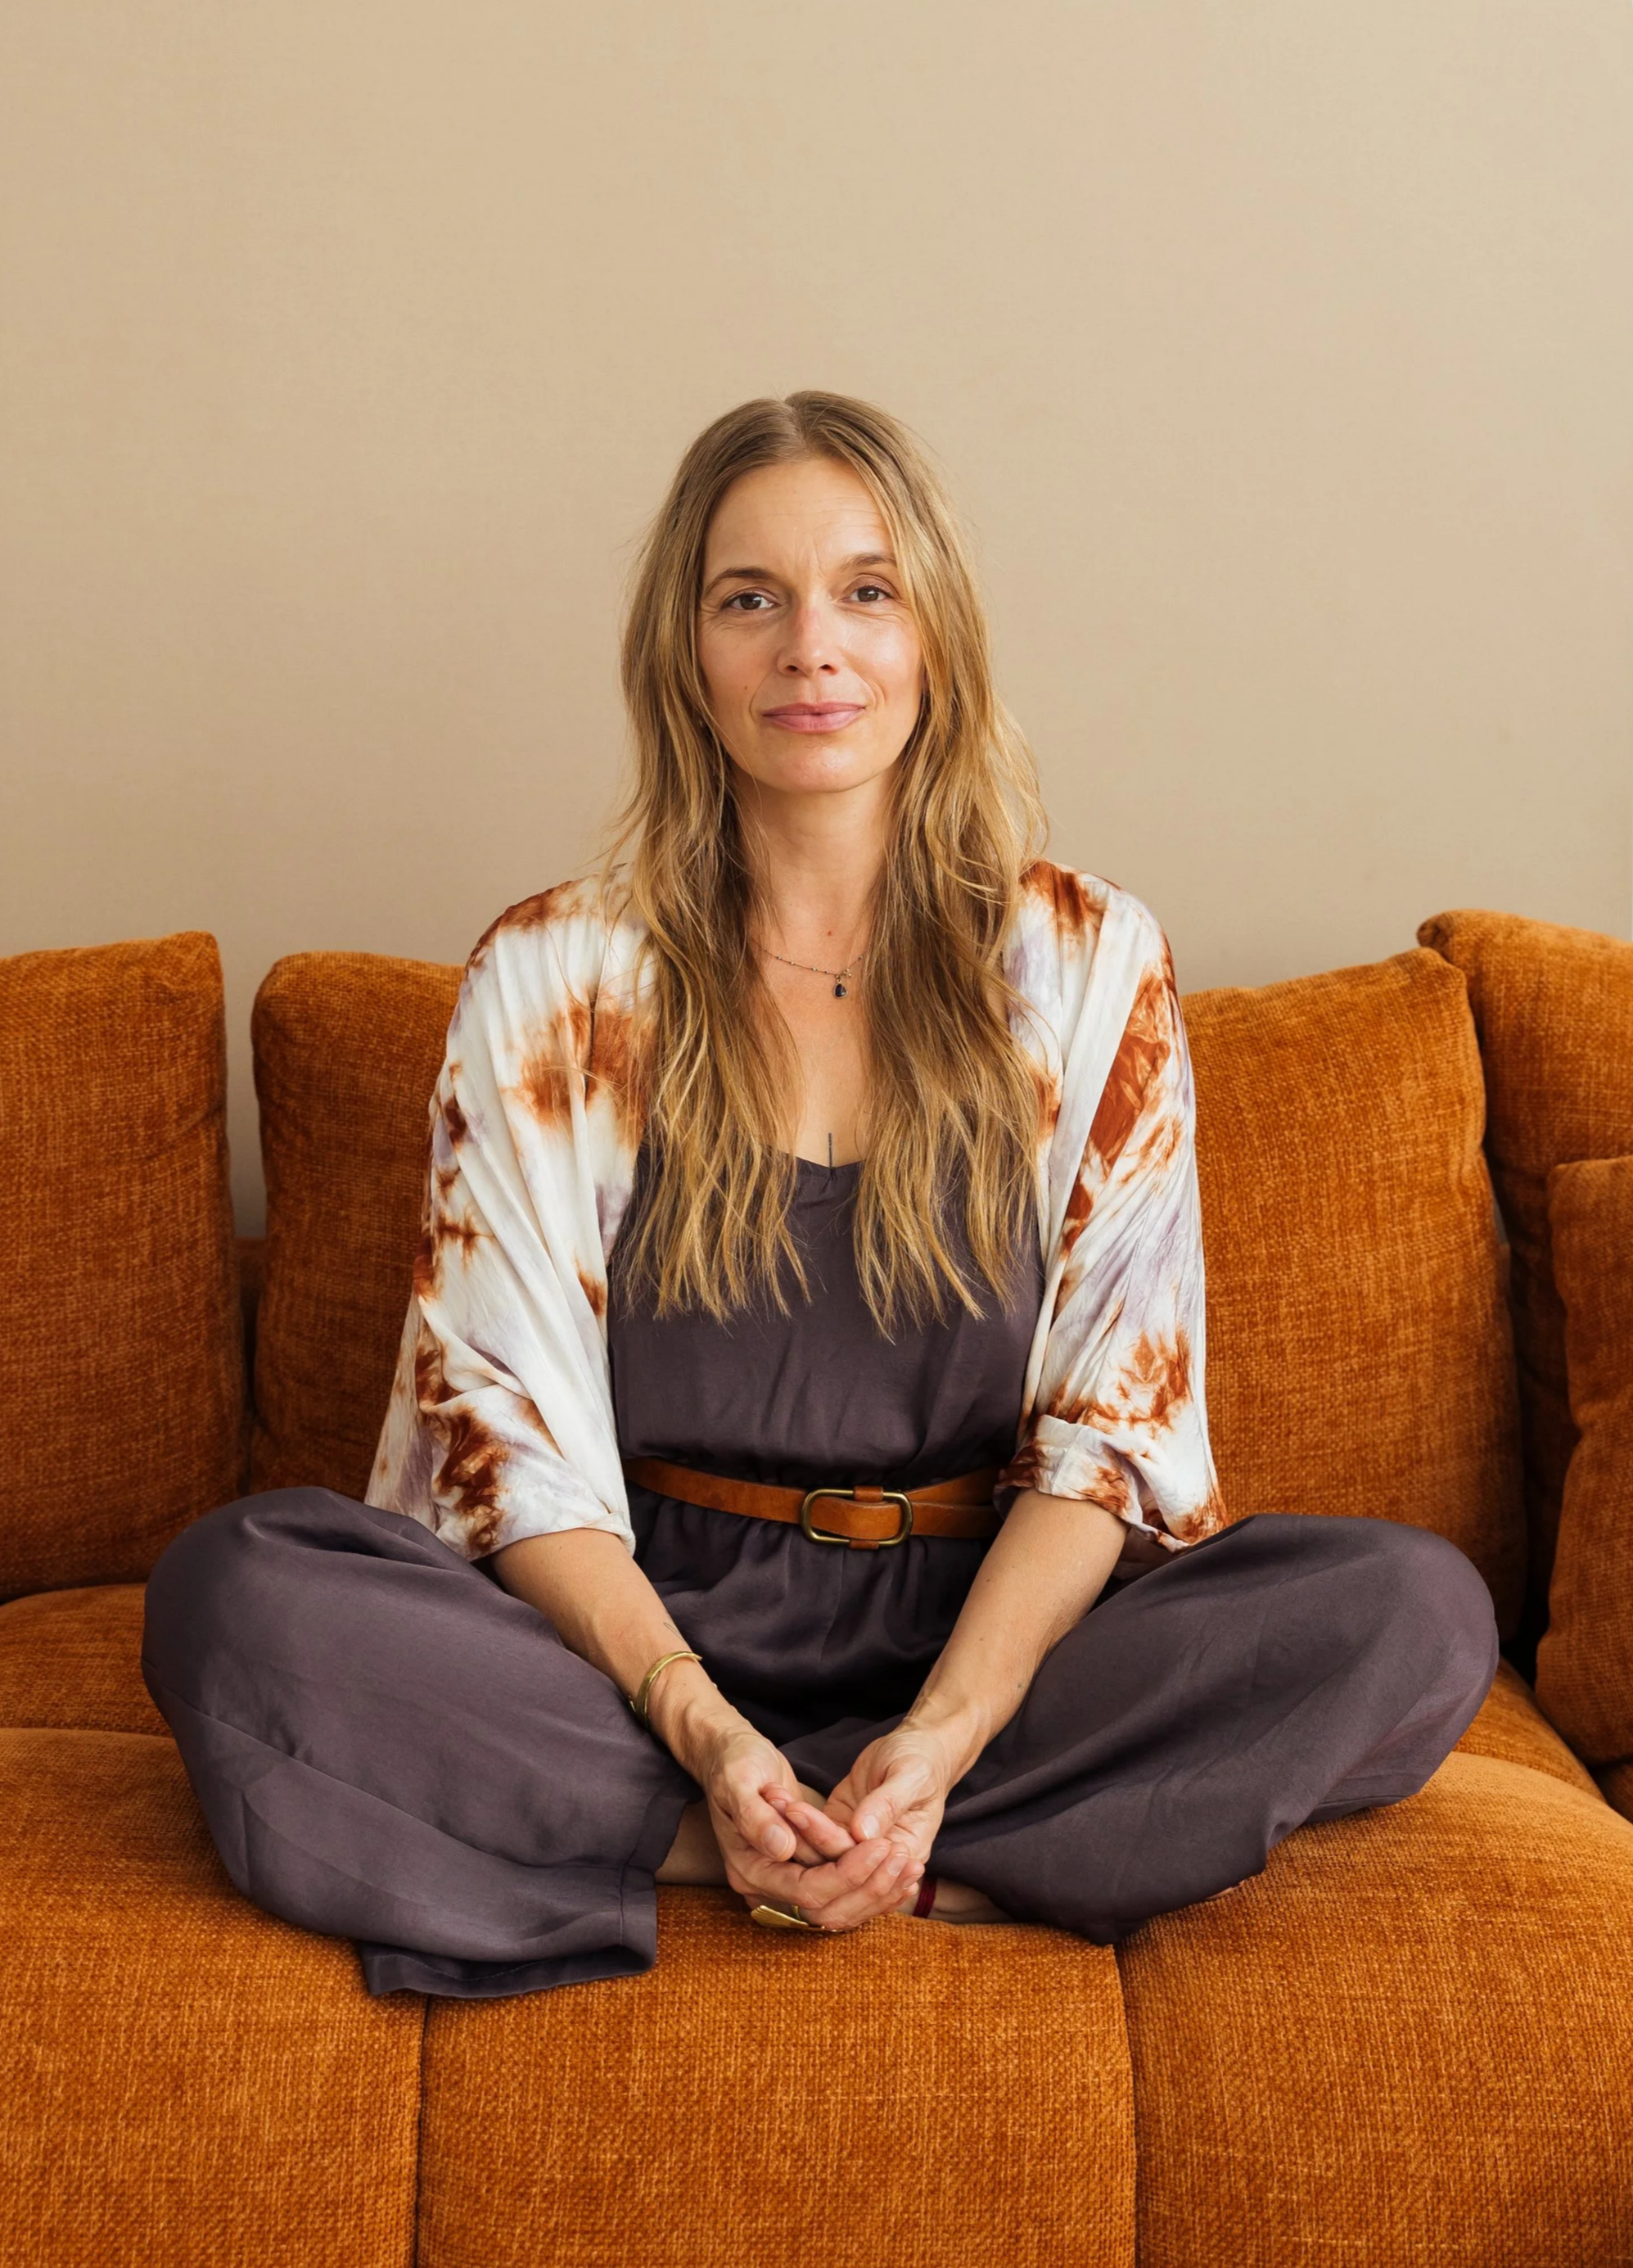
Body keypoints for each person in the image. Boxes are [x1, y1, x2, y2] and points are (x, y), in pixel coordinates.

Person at [141, 391, 1499, 2000]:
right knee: (236, 1596)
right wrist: (705, 1730)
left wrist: (941, 1731)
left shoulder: (1085, 961)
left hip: (990, 1649)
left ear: (935, 637)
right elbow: (503, 1447)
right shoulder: (555, 975)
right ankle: (743, 1836)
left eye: (865, 589)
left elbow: (1108, 1441)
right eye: (749, 598)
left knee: (1413, 1611)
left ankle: (883, 1817)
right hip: (632, 1649)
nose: (811, 648)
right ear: (685, 653)